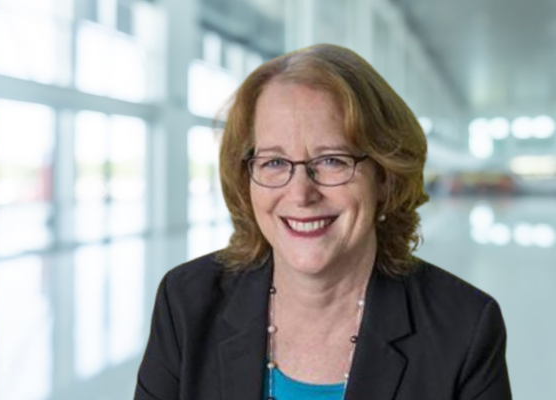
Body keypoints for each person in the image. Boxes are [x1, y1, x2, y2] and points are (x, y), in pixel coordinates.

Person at [134, 44, 511, 400]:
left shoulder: (464, 328)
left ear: (385, 175)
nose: (300, 194)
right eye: (274, 162)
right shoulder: (185, 302)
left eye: (332, 160)